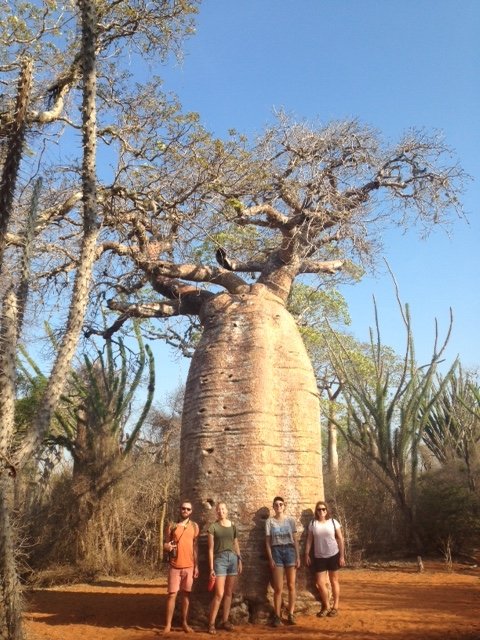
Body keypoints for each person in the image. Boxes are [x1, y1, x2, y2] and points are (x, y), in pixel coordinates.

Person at [163, 500, 199, 634]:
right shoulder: (172, 526)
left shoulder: (195, 526)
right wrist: (166, 547)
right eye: (183, 508)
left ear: (191, 511)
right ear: (180, 509)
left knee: (186, 596)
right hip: (174, 565)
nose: (185, 511)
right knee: (172, 595)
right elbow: (165, 544)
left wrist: (196, 566)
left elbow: (195, 547)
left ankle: (184, 623)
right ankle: (168, 625)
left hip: (189, 566)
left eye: (188, 509)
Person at [305, 500, 345, 618]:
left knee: (334, 581)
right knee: (320, 583)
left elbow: (340, 539)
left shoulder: (333, 522)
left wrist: (342, 556)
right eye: (319, 509)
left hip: (333, 555)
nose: (321, 511)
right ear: (316, 511)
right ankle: (327, 606)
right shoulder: (313, 524)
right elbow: (309, 540)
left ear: (327, 510)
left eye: (324, 509)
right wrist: (306, 554)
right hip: (319, 557)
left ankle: (335, 606)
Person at [207, 502, 242, 634]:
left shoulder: (232, 526)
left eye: (223, 509)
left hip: (233, 559)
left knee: (228, 593)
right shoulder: (213, 527)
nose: (221, 511)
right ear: (216, 512)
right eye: (218, 510)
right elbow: (210, 549)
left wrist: (239, 561)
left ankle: (225, 620)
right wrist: (211, 568)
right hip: (220, 560)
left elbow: (236, 544)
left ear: (227, 511)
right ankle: (211, 623)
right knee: (219, 594)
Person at [265, 496, 300, 627]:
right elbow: (267, 542)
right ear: (273, 507)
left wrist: (298, 557)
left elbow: (295, 540)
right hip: (276, 552)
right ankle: (277, 615)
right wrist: (271, 558)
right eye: (276, 505)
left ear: (284, 506)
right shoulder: (269, 522)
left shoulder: (291, 520)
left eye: (281, 504)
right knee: (278, 588)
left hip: (290, 551)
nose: (278, 506)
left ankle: (291, 613)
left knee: (291, 585)